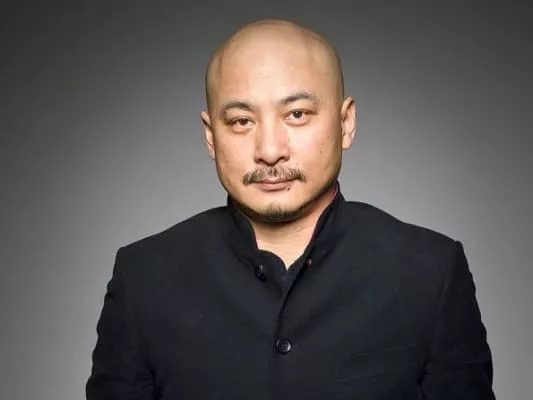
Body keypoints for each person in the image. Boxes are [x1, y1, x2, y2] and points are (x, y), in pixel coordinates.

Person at [86, 18, 495, 399]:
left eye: (297, 115)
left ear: (346, 123)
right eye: (241, 121)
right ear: (211, 136)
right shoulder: (143, 278)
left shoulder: (430, 272)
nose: (269, 151)